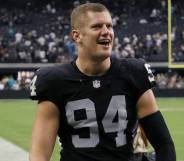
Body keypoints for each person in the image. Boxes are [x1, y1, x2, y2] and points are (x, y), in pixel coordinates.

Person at [29, 3, 176, 161]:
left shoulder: (133, 73)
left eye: (109, 26)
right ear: (77, 36)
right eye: (97, 26)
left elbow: (164, 144)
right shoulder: (55, 81)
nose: (106, 32)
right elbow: (39, 155)